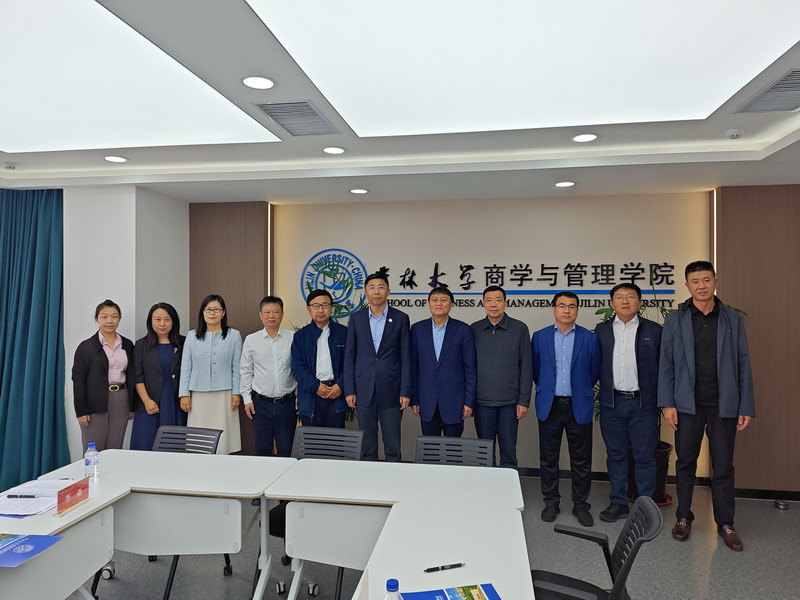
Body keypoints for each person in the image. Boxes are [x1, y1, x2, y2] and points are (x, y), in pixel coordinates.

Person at [658, 260, 754, 551]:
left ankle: (726, 523)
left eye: (706, 280)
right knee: (685, 463)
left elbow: (743, 363)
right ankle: (683, 517)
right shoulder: (676, 319)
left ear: (715, 281)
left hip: (723, 405)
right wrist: (667, 403)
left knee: (723, 465)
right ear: (687, 285)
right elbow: (666, 363)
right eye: (695, 281)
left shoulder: (731, 319)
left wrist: (745, 405)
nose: (701, 286)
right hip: (687, 405)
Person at [531, 291, 601, 526]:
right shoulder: (539, 337)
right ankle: (551, 502)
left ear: (577, 310)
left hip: (578, 405)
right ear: (554, 309)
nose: (566, 310)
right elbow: (536, 370)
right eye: (561, 305)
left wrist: (579, 389)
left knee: (581, 460)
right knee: (548, 458)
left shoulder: (589, 338)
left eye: (572, 306)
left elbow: (594, 371)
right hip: (550, 405)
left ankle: (580, 505)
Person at [595, 284, 662, 522]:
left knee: (645, 456)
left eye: (630, 297)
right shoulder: (601, 331)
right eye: (619, 297)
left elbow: (664, 368)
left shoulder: (654, 330)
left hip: (643, 405)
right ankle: (618, 502)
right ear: (611, 303)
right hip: (612, 403)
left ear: (639, 302)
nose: (625, 301)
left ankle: (645, 508)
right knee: (615, 455)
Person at [344, 273, 411, 461]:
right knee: (367, 446)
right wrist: (350, 390)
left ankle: (394, 477)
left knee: (393, 446)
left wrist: (405, 391)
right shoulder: (356, 318)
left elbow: (406, 357)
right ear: (365, 292)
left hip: (392, 389)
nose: (376, 291)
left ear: (388, 291)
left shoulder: (401, 318)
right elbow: (349, 356)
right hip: (363, 389)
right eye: (372, 287)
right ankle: (368, 478)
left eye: (381, 287)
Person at [470, 285, 532, 468]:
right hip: (482, 403)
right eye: (488, 300)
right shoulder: (474, 329)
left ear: (506, 303)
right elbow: (468, 368)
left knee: (509, 452)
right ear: (483, 303)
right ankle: (486, 485)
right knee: (485, 453)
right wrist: (469, 400)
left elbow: (526, 366)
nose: (493, 304)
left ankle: (508, 484)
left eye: (498, 300)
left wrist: (524, 400)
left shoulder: (519, 329)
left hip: (510, 403)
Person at [179, 294, 243, 455]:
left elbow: (237, 366)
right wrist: (184, 394)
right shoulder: (192, 336)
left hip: (225, 394)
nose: (212, 313)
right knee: (199, 438)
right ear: (202, 312)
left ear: (223, 312)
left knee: (223, 438)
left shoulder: (233, 335)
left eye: (216, 309)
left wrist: (236, 392)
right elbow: (186, 367)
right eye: (208, 309)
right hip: (198, 395)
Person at [410, 286, 476, 437]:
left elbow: (470, 369)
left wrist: (469, 401)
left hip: (454, 402)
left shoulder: (463, 330)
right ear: (429, 304)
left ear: (451, 305)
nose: (439, 303)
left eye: (444, 300)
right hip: (426, 401)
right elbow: (413, 368)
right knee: (429, 448)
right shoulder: (417, 329)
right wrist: (415, 399)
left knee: (453, 448)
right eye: (434, 300)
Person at [72, 299, 137, 452]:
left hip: (121, 398)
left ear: (120, 318)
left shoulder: (127, 344)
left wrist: (132, 404)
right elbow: (78, 380)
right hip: (95, 400)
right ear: (97, 319)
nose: (109, 321)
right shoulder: (86, 347)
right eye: (104, 316)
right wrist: (81, 411)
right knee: (94, 448)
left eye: (114, 316)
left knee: (115, 447)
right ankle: (92, 470)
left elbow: (132, 375)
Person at [240, 296, 297, 456]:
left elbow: (299, 369)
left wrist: (300, 397)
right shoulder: (251, 340)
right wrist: (247, 399)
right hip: (260, 404)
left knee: (287, 450)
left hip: (287, 403)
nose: (271, 316)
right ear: (260, 315)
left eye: (275, 312)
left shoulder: (293, 338)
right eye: (267, 312)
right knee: (262, 450)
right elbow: (245, 371)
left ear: (282, 314)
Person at [130, 302, 186, 451]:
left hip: (175, 402)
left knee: (174, 445)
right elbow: (138, 376)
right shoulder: (141, 345)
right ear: (151, 321)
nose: (162, 324)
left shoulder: (183, 343)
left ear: (174, 321)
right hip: (149, 402)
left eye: (167, 319)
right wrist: (146, 400)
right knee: (147, 444)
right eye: (158, 319)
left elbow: (189, 372)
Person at [291, 289, 348, 428]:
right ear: (309, 309)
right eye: (316, 306)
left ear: (331, 307)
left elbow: (350, 364)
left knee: (336, 440)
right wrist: (316, 387)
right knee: (312, 440)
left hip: (336, 395)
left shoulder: (344, 333)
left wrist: (340, 385)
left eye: (325, 305)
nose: (321, 310)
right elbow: (297, 368)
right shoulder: (300, 336)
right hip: (310, 398)